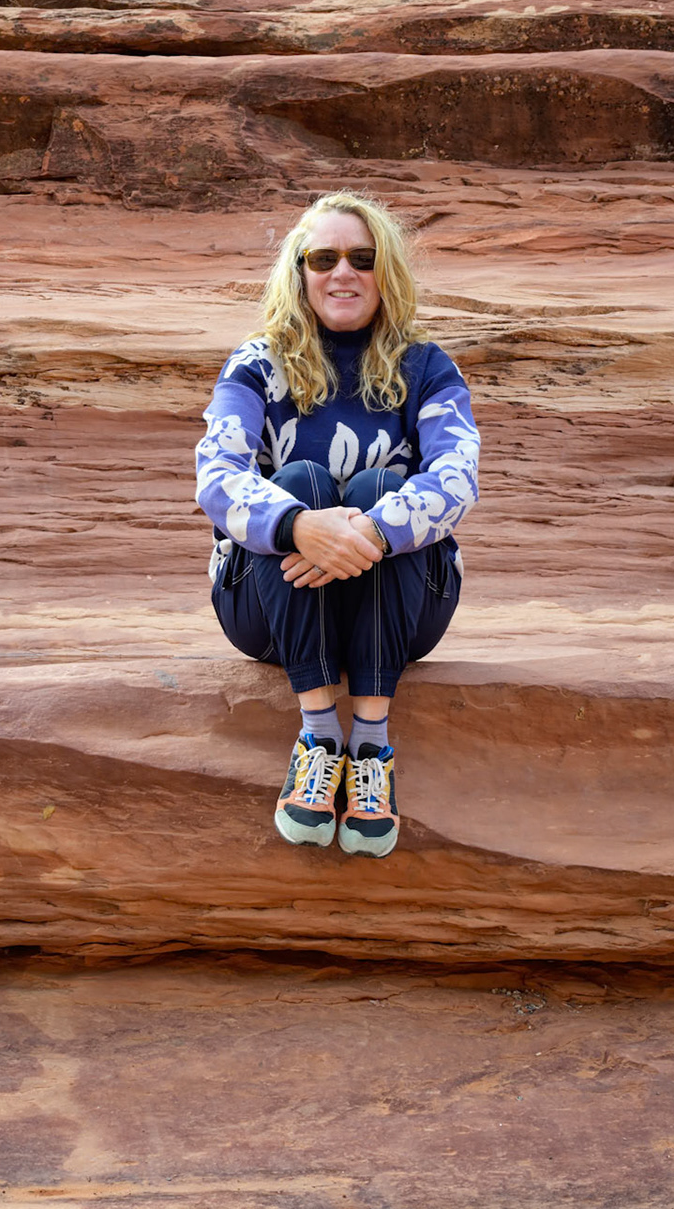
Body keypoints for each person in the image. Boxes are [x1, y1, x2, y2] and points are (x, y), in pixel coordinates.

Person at [194, 190, 481, 858]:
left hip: (404, 605)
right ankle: (319, 736)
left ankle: (370, 745)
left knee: (385, 488)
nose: (342, 271)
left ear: (387, 272)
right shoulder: (256, 365)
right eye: (323, 257)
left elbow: (458, 477)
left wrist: (373, 531)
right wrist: (298, 525)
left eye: (362, 256)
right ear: (299, 271)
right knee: (299, 483)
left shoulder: (427, 367)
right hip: (264, 602)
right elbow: (218, 473)